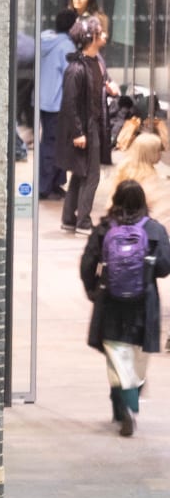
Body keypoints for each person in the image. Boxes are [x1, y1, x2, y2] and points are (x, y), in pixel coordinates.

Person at [81, 178, 170, 437]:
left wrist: (92, 290)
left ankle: (124, 407)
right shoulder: (154, 229)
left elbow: (87, 264)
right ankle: (129, 402)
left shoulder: (104, 228)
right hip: (145, 302)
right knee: (138, 360)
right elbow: (164, 268)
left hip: (111, 301)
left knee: (117, 357)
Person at [61, 16, 113, 235]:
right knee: (91, 175)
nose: (104, 35)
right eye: (100, 32)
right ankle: (82, 221)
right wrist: (78, 132)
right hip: (86, 127)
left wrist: (107, 87)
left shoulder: (95, 62)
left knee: (80, 173)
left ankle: (69, 219)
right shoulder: (77, 68)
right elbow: (70, 103)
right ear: (91, 37)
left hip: (92, 124)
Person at [38, 9, 80, 198]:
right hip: (57, 102)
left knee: (51, 142)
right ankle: (46, 187)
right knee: (54, 144)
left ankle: (53, 183)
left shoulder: (44, 39)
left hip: (42, 99)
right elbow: (72, 76)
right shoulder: (67, 47)